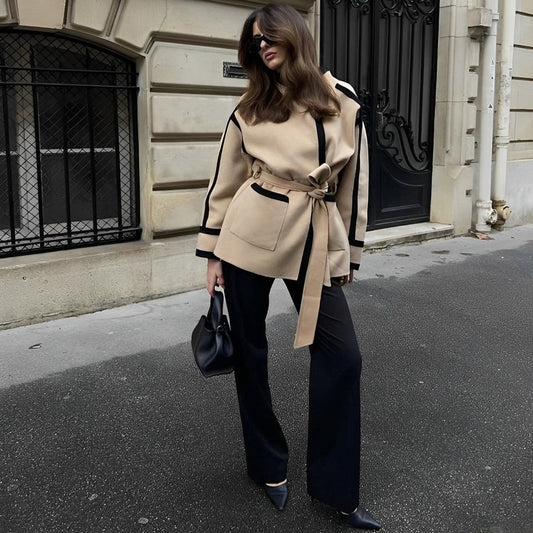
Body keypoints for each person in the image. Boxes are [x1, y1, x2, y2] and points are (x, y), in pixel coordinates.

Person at [195, 4, 380, 530]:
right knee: (250, 353)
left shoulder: (341, 101)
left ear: (295, 34)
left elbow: (353, 186)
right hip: (248, 234)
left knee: (343, 356)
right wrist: (213, 253)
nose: (262, 47)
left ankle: (338, 490)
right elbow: (225, 181)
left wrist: (349, 254)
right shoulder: (249, 107)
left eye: (269, 36)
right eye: (254, 42)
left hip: (314, 235)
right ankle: (267, 466)